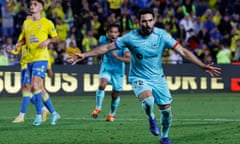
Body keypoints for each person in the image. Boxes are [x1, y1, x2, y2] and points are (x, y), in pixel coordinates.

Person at [68, 8, 221, 144]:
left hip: (158, 78)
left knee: (166, 112)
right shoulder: (130, 37)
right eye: (144, 21)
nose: (147, 24)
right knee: (148, 100)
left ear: (154, 20)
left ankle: (165, 137)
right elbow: (107, 47)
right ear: (138, 22)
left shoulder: (162, 35)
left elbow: (182, 51)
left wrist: (202, 65)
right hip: (138, 77)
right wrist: (85, 54)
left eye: (150, 21)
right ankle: (151, 118)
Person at [17, 0, 60, 126]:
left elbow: (56, 38)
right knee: (39, 88)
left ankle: (38, 116)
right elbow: (24, 39)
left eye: (35, 4)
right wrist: (17, 45)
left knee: (35, 86)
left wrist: (48, 41)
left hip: (41, 58)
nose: (32, 6)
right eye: (30, 4)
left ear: (41, 7)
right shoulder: (26, 23)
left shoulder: (47, 23)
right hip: (29, 59)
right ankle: (53, 113)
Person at [91, 24, 130, 122]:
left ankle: (111, 114)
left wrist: (118, 57)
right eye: (111, 32)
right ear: (108, 33)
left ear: (119, 34)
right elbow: (99, 50)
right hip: (106, 68)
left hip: (118, 72)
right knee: (102, 84)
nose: (113, 34)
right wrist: (99, 56)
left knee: (115, 94)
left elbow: (129, 59)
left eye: (115, 32)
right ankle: (98, 108)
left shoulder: (123, 44)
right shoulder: (103, 40)